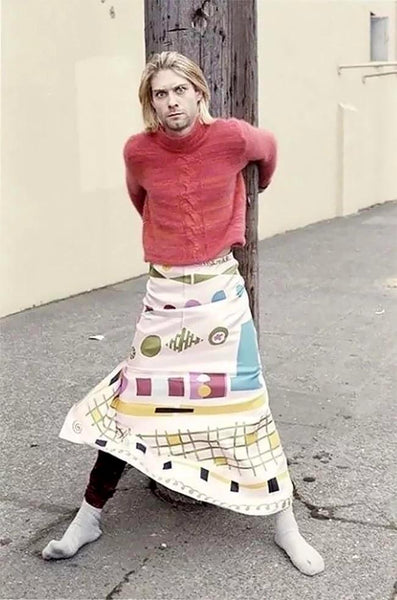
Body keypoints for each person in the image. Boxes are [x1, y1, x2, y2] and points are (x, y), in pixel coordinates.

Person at [42, 51, 324, 576]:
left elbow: (269, 155)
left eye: (179, 90)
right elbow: (142, 201)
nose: (171, 102)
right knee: (134, 407)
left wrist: (243, 198)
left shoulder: (234, 137)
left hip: (220, 293)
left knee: (246, 409)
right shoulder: (138, 151)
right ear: (150, 103)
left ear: (199, 92)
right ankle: (88, 517)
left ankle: (285, 524)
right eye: (159, 94)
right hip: (165, 298)